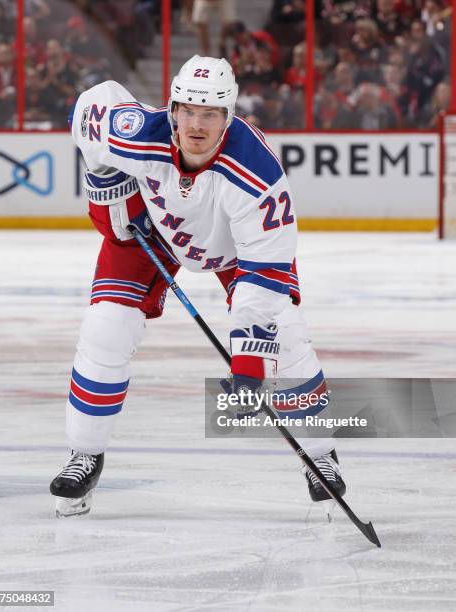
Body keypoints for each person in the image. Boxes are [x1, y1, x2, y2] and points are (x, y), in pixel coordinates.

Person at [49, 55, 346, 517]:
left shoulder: (257, 174)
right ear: (171, 109)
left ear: (229, 116)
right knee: (106, 327)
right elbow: (91, 110)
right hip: (154, 231)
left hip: (233, 247)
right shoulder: (134, 131)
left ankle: (320, 455)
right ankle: (84, 453)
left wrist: (248, 366)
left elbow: (265, 273)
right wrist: (111, 193)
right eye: (187, 110)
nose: (197, 124)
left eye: (210, 114)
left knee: (285, 334)